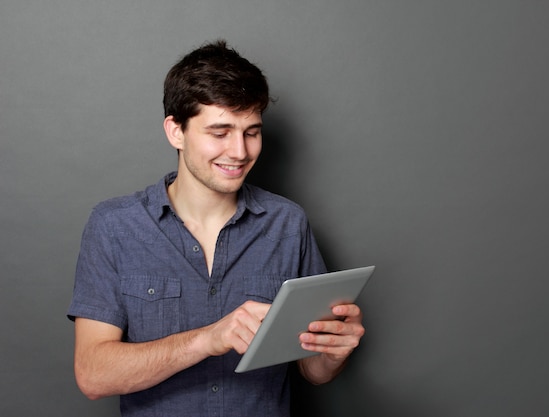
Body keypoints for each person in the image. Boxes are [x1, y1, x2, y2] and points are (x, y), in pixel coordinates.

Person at [67, 40, 365, 416]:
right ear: (176, 131)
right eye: (220, 132)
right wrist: (209, 339)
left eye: (251, 132)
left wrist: (334, 350)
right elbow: (93, 376)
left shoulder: (288, 224)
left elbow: (313, 370)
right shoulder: (114, 226)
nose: (239, 152)